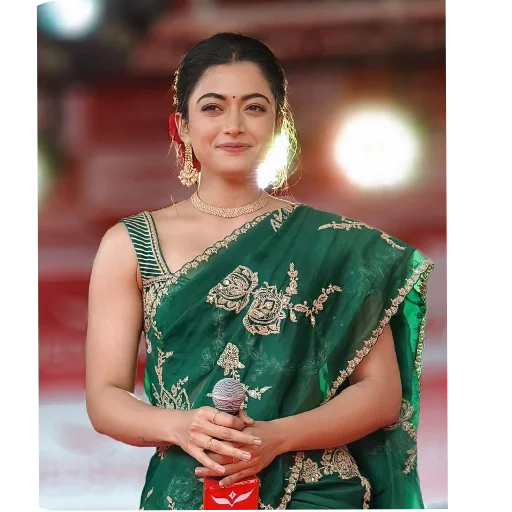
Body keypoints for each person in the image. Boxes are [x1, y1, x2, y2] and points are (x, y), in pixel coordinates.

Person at [85, 32, 434, 512]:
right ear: (182, 126)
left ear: (278, 122)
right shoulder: (131, 245)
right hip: (190, 490)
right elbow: (105, 398)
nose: (233, 126)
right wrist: (180, 426)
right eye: (212, 108)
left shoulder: (334, 245)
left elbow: (380, 395)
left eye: (253, 107)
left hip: (317, 494)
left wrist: (274, 438)